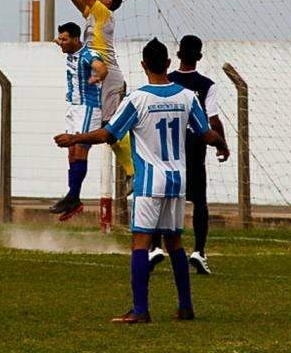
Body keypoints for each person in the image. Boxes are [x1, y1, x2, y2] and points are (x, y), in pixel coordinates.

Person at [54, 38, 229, 323]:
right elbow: (206, 133)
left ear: (143, 65)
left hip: (149, 182)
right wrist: (222, 145)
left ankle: (140, 310)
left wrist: (75, 137)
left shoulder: (137, 99)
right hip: (177, 181)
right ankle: (185, 307)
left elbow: (108, 134)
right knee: (175, 244)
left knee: (141, 242)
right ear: (168, 64)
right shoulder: (186, 96)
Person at [46, 0, 134, 183]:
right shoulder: (92, 16)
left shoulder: (104, 14)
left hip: (108, 73)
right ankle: (131, 170)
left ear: (109, 3)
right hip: (97, 69)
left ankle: (133, 170)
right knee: (106, 126)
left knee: (109, 126)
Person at [148, 35, 226, 275]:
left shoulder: (166, 80)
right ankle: (199, 252)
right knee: (199, 200)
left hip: (168, 148)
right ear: (199, 57)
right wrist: (222, 144)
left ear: (178, 55)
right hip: (195, 146)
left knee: (161, 198)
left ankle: (155, 248)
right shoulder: (206, 85)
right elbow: (212, 119)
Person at [49, 22, 107, 219]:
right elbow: (58, 40)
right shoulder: (68, 48)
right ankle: (73, 198)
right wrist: (57, 40)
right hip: (73, 107)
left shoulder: (87, 55)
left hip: (87, 107)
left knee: (80, 147)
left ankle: (73, 196)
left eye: (65, 39)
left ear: (76, 39)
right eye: (61, 39)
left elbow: (101, 68)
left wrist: (98, 77)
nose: (61, 43)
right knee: (71, 153)